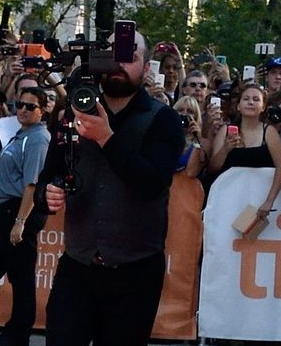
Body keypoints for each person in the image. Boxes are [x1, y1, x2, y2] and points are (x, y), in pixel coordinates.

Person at [40, 29, 184, 346]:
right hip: (77, 268)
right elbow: (49, 176)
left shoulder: (164, 120)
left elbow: (151, 183)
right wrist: (51, 191)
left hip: (134, 274)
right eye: (113, 55)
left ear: (147, 67)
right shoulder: (73, 114)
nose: (120, 64)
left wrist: (106, 137)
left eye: (130, 56)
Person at [0, 86, 49, 346]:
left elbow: (32, 184)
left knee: (21, 278)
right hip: (1, 212)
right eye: (20, 105)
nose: (23, 110)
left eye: (30, 106)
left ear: (43, 109)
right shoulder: (20, 134)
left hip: (16, 212)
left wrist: (20, 222)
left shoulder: (37, 138)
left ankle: (17, 335)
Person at [207, 83, 281, 226]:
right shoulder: (225, 131)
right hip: (227, 201)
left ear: (263, 107)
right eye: (246, 99)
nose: (251, 102)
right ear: (238, 106)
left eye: (256, 99)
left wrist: (269, 200)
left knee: (249, 245)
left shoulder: (269, 132)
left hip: (257, 202)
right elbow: (212, 168)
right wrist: (226, 149)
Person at [172, 95, 207, 178]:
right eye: (180, 110)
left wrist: (197, 137)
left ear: (196, 116)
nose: (184, 114)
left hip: (184, 187)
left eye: (190, 111)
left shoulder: (200, 143)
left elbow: (191, 173)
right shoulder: (164, 136)